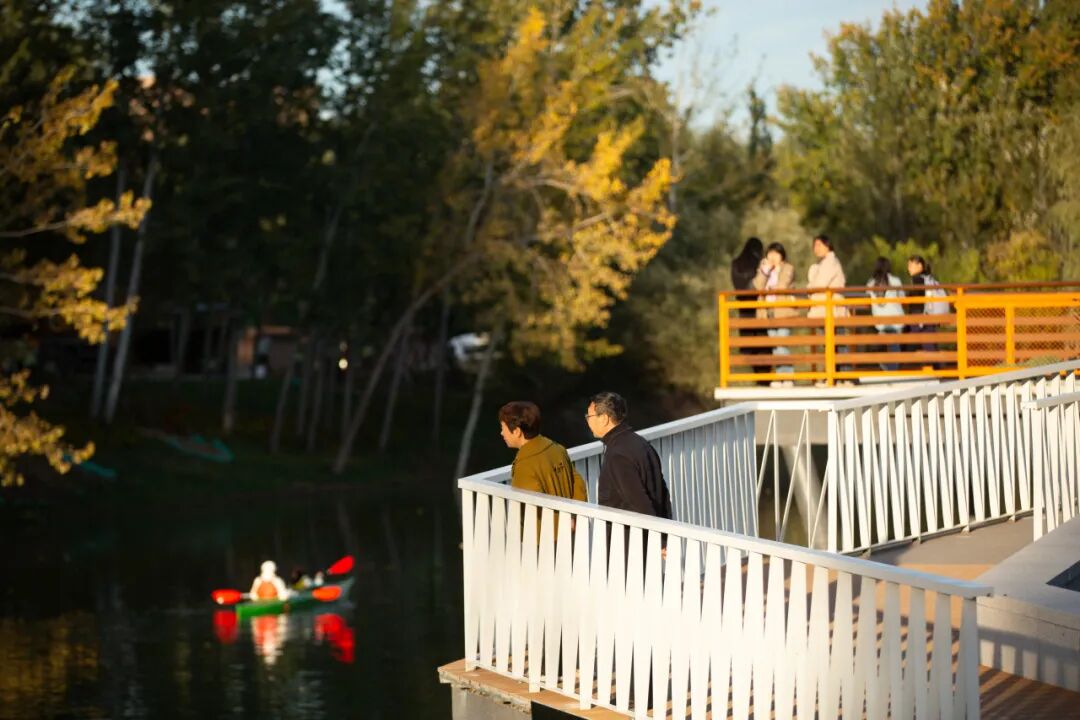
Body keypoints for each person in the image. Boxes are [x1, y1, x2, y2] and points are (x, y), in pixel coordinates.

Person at [585, 392, 672, 519]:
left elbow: (641, 505)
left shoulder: (617, 455)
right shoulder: (642, 444)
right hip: (656, 532)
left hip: (631, 536)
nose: (588, 420)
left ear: (604, 418)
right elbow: (663, 495)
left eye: (589, 416)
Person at [498, 401, 587, 502]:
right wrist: (573, 515)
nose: (501, 433)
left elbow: (528, 509)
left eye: (503, 428)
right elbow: (578, 483)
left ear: (517, 431)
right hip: (569, 515)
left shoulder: (525, 464)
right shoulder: (557, 448)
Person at [806, 234, 850, 385]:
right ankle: (833, 376)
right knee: (829, 344)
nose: (816, 248)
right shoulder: (821, 264)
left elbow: (818, 284)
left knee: (838, 343)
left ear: (828, 246)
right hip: (825, 310)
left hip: (833, 310)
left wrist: (810, 287)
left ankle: (845, 376)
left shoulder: (830, 262)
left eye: (819, 245)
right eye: (815, 245)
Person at [752, 242, 796, 386]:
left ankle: (788, 376)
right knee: (775, 346)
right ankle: (779, 376)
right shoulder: (764, 269)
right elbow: (758, 286)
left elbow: (783, 285)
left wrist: (774, 276)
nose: (773, 257)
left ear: (781, 255)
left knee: (782, 343)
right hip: (768, 312)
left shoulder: (787, 268)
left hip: (783, 312)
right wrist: (765, 271)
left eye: (776, 253)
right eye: (770, 253)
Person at [730, 237, 769, 384]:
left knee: (751, 344)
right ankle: (765, 379)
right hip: (758, 307)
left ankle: (759, 378)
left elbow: (738, 285)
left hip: (744, 309)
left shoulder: (736, 264)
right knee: (763, 343)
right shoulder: (759, 263)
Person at [866, 257, 905, 371]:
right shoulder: (895, 281)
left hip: (880, 321)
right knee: (894, 344)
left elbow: (868, 300)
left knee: (882, 344)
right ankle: (893, 369)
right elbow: (902, 298)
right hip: (896, 320)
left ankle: (887, 367)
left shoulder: (870, 283)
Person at [906, 255, 947, 360]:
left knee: (909, 344)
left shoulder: (917, 279)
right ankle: (938, 369)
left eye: (911, 265)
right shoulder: (929, 278)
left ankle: (899, 369)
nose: (908, 268)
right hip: (929, 315)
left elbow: (916, 299)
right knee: (929, 346)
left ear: (919, 266)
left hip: (920, 318)